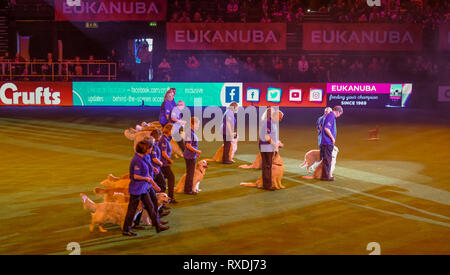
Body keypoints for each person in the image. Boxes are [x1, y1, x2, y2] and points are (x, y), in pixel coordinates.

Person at [122, 140, 169, 236]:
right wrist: (147, 179)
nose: (151, 149)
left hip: (144, 187)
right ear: (144, 149)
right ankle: (126, 229)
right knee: (132, 209)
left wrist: (152, 171)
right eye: (149, 147)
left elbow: (147, 168)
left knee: (151, 206)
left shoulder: (145, 156)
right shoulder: (136, 160)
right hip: (137, 189)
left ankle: (157, 225)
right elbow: (135, 176)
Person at [259, 108, 284, 191]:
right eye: (280, 118)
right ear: (275, 116)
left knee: (268, 166)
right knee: (267, 166)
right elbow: (266, 137)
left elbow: (272, 136)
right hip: (266, 147)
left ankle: (267, 184)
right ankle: (267, 185)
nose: (280, 120)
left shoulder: (271, 123)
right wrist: (275, 144)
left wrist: (277, 143)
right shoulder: (268, 123)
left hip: (269, 147)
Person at [320, 105, 343, 181]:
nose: (339, 116)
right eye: (340, 114)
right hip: (327, 142)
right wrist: (332, 138)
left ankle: (324, 176)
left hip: (324, 141)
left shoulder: (329, 115)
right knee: (328, 159)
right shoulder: (331, 116)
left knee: (325, 159)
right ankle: (327, 177)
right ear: (338, 112)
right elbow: (327, 128)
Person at [160, 123, 177, 203]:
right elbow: (163, 153)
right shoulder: (163, 139)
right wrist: (169, 160)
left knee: (163, 180)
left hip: (164, 163)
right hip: (163, 164)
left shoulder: (166, 138)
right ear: (169, 130)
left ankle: (166, 197)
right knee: (171, 178)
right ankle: (170, 197)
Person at [184, 117, 201, 194]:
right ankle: (188, 190)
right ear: (192, 124)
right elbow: (188, 145)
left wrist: (196, 152)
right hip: (189, 156)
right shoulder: (189, 132)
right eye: (197, 124)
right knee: (190, 174)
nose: (198, 126)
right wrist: (197, 151)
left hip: (191, 155)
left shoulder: (191, 132)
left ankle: (188, 189)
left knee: (190, 173)